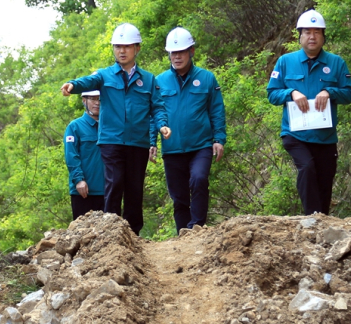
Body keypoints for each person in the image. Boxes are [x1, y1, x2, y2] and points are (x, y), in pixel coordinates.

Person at [60, 23, 171, 235]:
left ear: (137, 48)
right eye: (117, 47)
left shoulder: (148, 79)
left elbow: (157, 106)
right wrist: (73, 85)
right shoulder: (105, 75)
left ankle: (133, 233)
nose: (121, 51)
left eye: (127, 47)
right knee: (114, 182)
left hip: (137, 143)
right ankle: (110, 231)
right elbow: (88, 81)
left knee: (134, 188)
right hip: (111, 141)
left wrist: (162, 125)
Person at [267, 9, 351, 215]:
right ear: (300, 36)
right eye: (307, 32)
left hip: (325, 137)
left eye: (317, 32)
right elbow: (272, 94)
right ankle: (312, 217)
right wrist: (292, 93)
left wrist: (330, 92)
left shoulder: (336, 63)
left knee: (325, 180)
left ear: (324, 36)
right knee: (306, 168)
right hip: (295, 134)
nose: (312, 36)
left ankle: (322, 221)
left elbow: (349, 95)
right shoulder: (285, 62)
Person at [154, 27, 226, 233]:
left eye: (181, 52)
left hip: (201, 145)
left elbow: (217, 111)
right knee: (178, 196)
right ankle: (182, 236)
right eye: (173, 53)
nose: (177, 57)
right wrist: (152, 142)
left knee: (199, 179)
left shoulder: (207, 78)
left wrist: (219, 139)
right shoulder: (159, 82)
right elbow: (154, 114)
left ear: (191, 51)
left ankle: (197, 227)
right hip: (172, 148)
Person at [64, 90, 105, 220]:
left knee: (109, 236)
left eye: (100, 99)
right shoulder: (75, 127)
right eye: (93, 99)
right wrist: (79, 179)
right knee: (83, 235)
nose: (97, 102)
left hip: (108, 191)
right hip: (83, 192)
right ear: (84, 101)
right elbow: (71, 155)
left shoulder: (110, 127)